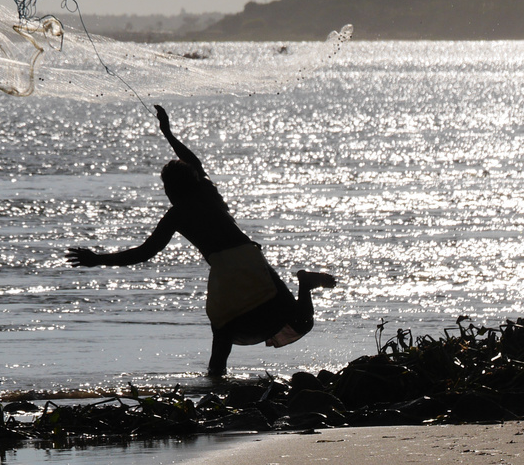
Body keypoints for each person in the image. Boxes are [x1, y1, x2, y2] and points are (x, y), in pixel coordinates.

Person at [66, 105, 335, 378]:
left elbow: (145, 252)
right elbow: (194, 163)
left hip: (227, 267)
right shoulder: (207, 193)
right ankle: (304, 283)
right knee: (295, 319)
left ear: (171, 190)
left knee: (224, 327)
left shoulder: (177, 215)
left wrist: (97, 259)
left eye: (166, 189)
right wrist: (168, 134)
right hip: (248, 258)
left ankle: (215, 375)